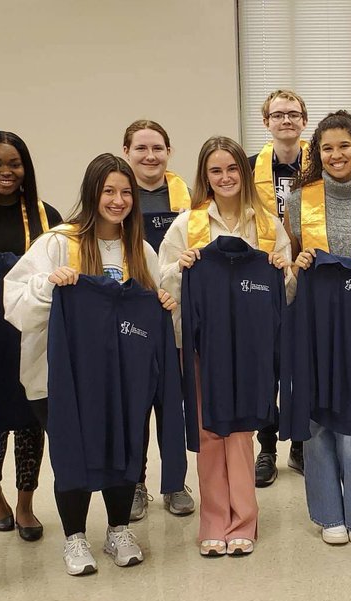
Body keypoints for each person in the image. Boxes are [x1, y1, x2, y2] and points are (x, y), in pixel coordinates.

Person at [5, 153, 178, 576]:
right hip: (59, 379)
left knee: (125, 447)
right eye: (109, 191)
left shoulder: (140, 251)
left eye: (126, 192)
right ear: (92, 193)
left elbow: (155, 315)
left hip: (122, 378)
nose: (118, 200)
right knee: (73, 452)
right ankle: (75, 536)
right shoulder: (57, 244)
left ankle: (118, 528)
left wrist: (165, 307)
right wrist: (51, 285)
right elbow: (16, 306)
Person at [158, 136, 292, 556]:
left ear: (244, 172)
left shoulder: (268, 224)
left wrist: (281, 270)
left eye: (232, 169)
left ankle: (244, 521)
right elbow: (164, 286)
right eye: (216, 171)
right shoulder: (187, 225)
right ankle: (214, 519)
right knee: (209, 429)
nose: (225, 177)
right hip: (203, 344)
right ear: (206, 177)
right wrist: (181, 271)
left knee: (241, 430)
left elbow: (286, 290)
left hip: (250, 346)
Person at [287, 110, 351, 545]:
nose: (336, 155)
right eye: (327, 148)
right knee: (315, 420)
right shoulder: (297, 203)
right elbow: (289, 262)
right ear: (318, 154)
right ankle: (328, 512)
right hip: (310, 325)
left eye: (344, 146)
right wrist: (294, 265)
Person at [0, 130, 63, 542]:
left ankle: (25, 500)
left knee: (28, 417)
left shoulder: (46, 216)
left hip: (27, 331)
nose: (6, 172)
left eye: (14, 163)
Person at [121, 119, 194, 520]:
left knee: (172, 405)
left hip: (172, 310)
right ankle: (135, 482)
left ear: (169, 152)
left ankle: (175, 483)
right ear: (127, 151)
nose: (150, 156)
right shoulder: (116, 196)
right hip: (128, 311)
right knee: (134, 404)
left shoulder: (188, 200)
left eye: (158, 149)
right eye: (141, 149)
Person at [246, 89, 310, 487]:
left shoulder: (320, 164)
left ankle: (301, 444)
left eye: (294, 114)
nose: (286, 120)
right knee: (265, 366)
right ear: (266, 122)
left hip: (311, 274)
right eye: (278, 114)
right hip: (264, 277)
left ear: (304, 121)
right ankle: (266, 447)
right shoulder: (250, 168)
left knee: (302, 365)